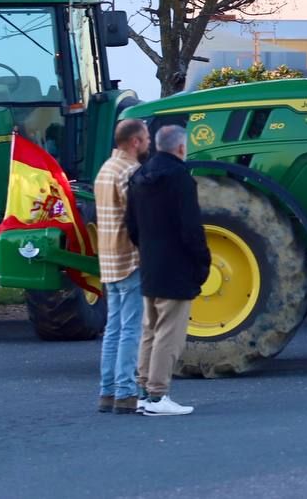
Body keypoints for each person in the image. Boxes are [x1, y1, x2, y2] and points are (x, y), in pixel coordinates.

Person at [126, 125, 211, 416]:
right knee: (169, 335)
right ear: (180, 148)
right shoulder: (180, 179)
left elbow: (132, 227)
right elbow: (191, 229)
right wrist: (202, 263)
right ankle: (158, 395)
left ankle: (141, 392)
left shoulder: (138, 177)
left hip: (150, 264)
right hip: (176, 267)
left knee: (150, 331)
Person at [95, 118, 150, 415]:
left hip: (108, 258)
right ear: (135, 142)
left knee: (113, 328)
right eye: (147, 138)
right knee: (132, 329)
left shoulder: (106, 169)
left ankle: (107, 391)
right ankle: (127, 392)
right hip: (129, 258)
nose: (150, 143)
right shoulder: (130, 172)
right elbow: (138, 216)